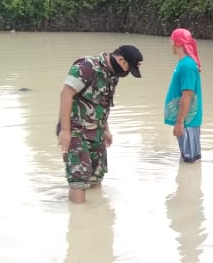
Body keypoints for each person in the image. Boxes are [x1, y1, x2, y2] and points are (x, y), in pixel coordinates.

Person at [57, 44, 143, 203]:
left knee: (96, 176)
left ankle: (97, 217)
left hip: (96, 130)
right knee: (79, 181)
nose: (126, 73)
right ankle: (79, 219)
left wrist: (106, 129)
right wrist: (65, 131)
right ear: (120, 59)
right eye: (128, 69)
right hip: (75, 130)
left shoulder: (112, 75)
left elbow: (103, 104)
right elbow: (65, 95)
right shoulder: (87, 67)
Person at [164, 28, 203, 163]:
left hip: (187, 121)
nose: (170, 44)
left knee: (190, 161)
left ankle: (189, 184)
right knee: (188, 159)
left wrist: (180, 122)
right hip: (186, 120)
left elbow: (187, 95)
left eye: (172, 40)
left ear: (178, 43)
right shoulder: (184, 63)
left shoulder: (187, 66)